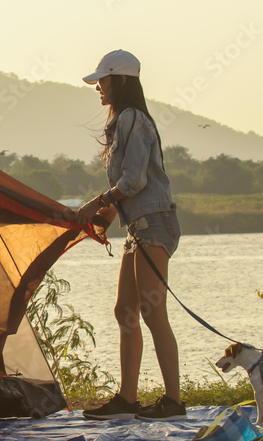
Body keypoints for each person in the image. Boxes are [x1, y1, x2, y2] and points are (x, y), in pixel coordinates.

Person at [74, 49, 185, 421]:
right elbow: (133, 184)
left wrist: (98, 202)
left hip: (154, 223)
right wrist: (106, 213)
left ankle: (173, 401)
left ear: (120, 81)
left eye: (103, 81)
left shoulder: (133, 120)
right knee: (126, 311)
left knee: (153, 314)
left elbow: (134, 181)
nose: (99, 88)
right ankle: (128, 398)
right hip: (139, 226)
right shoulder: (124, 120)